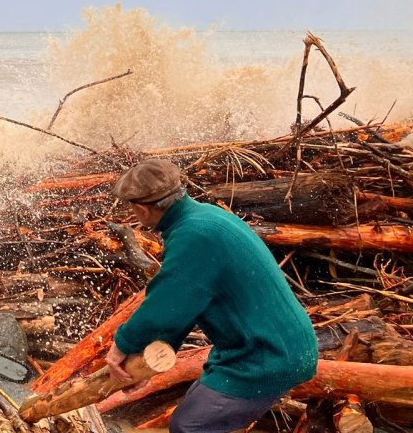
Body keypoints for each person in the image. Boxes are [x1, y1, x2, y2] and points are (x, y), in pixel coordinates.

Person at [104, 159, 318, 433]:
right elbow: (184, 304)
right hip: (266, 348)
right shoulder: (204, 217)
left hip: (265, 357)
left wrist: (122, 345)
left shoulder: (195, 236)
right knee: (194, 409)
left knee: (189, 426)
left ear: (142, 208)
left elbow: (164, 303)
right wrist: (145, 363)